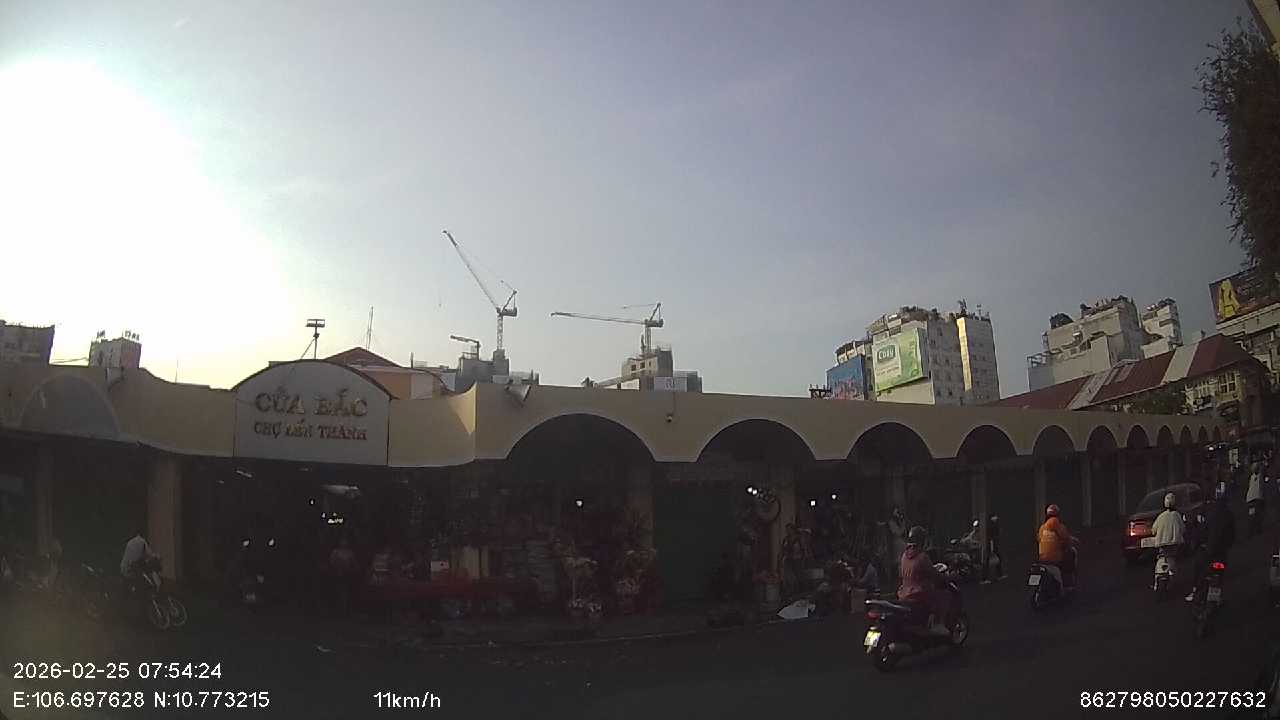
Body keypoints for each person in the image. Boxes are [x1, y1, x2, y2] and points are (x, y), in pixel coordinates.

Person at [1186, 483, 1235, 603]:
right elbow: (1232, 535)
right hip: (1221, 552)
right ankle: (1216, 596)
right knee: (1219, 574)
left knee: (1199, 570)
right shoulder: (1229, 514)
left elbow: (1202, 530)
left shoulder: (1209, 511)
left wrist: (1198, 542)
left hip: (1207, 550)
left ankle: (1196, 591)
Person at [897, 526, 950, 637]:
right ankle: (937, 624)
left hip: (903, 593)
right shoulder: (922, 557)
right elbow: (934, 574)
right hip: (919, 594)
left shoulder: (904, 556)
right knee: (942, 595)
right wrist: (944, 577)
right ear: (922, 540)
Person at [1150, 492, 1186, 589]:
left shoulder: (1161, 516)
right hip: (1174, 545)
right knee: (1173, 560)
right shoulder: (1177, 515)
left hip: (1162, 545)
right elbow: (1183, 529)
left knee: (1160, 559)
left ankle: (1156, 582)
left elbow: (1153, 530)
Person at [1037, 505, 1077, 589]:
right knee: (1070, 553)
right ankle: (1068, 584)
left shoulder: (1042, 528)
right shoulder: (1060, 526)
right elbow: (1066, 539)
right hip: (1055, 560)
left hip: (1041, 559)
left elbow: (1039, 539)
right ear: (1058, 515)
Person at [1248, 464, 1266, 538]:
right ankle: (1255, 530)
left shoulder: (1255, 477)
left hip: (1253, 499)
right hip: (1255, 499)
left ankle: (1253, 530)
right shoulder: (1256, 476)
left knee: (1254, 515)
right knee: (1256, 515)